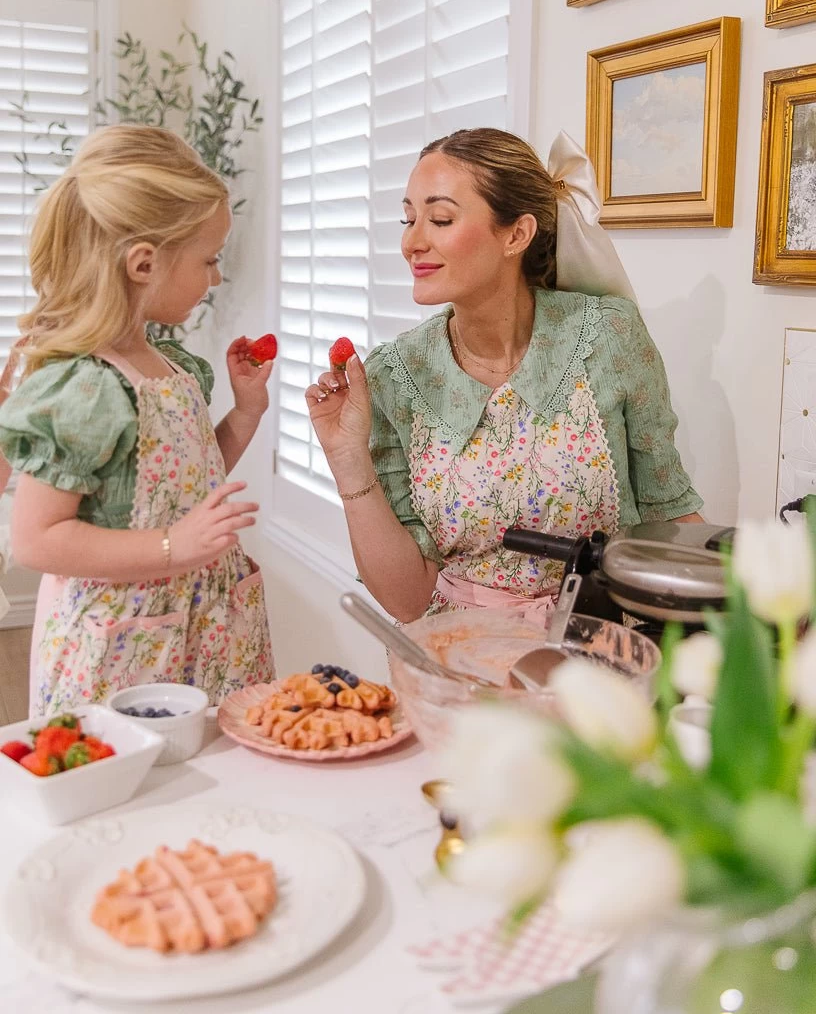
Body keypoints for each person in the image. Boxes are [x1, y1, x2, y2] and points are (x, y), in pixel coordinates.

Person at [306, 128, 703, 624]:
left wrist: (748, 613)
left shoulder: (608, 337)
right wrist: (348, 461)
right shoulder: (394, 376)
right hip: (454, 655)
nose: (411, 242)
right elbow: (407, 601)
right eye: (409, 219)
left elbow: (669, 517)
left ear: (516, 235)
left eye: (440, 219)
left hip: (595, 653)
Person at [0, 124, 275, 712]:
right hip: (123, 653)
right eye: (209, 259)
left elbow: (181, 486)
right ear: (144, 264)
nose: (216, 277)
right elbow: (36, 539)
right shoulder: (87, 389)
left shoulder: (168, 365)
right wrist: (175, 546)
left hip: (201, 632)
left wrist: (245, 413)